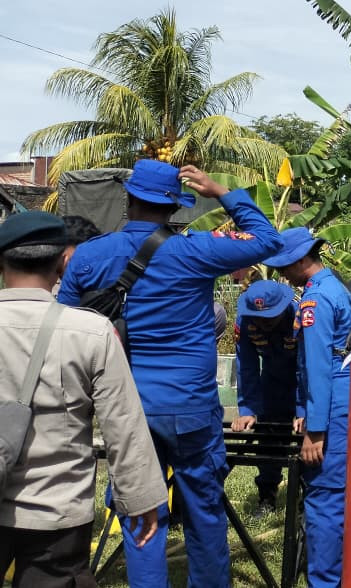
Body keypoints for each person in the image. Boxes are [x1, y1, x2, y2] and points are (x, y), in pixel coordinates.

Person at [57, 160, 283, 588]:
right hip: (191, 409)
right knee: (205, 513)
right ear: (174, 206)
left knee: (142, 516)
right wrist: (219, 190)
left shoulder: (88, 255)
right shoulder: (194, 250)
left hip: (126, 410)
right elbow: (269, 240)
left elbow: (66, 329)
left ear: (129, 199)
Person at [0, 211, 167, 587]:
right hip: (57, 511)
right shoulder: (91, 331)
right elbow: (123, 426)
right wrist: (141, 500)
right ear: (63, 262)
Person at [263, 227, 351, 588]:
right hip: (340, 399)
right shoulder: (337, 287)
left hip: (331, 404)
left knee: (324, 499)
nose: (282, 273)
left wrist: (315, 431)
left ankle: (325, 580)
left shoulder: (314, 302)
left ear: (302, 260)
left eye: (286, 265)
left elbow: (318, 366)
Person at [230, 279, 299, 518]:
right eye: (258, 318)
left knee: (308, 440)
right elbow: (246, 366)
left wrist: (304, 410)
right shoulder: (246, 322)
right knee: (270, 440)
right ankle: (267, 495)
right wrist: (247, 409)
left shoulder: (300, 316)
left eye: (269, 318)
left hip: (303, 383)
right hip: (271, 384)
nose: (263, 323)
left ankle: (306, 498)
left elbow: (309, 365)